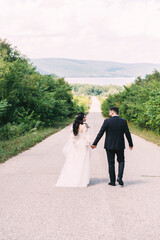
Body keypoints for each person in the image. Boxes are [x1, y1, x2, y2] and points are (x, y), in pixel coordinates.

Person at [91, 107, 133, 186]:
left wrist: (94, 143)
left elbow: (101, 133)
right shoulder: (123, 121)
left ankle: (112, 182)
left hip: (109, 146)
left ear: (112, 112)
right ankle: (119, 177)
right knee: (121, 161)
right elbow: (127, 133)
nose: (109, 113)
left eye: (109, 112)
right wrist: (130, 144)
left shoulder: (107, 121)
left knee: (111, 163)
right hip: (120, 145)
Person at [55, 112, 91, 187]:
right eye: (84, 117)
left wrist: (75, 142)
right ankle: (81, 180)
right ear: (81, 118)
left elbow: (73, 136)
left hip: (74, 145)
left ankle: (70, 178)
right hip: (82, 145)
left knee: (73, 161)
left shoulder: (73, 125)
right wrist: (89, 143)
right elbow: (84, 137)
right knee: (81, 162)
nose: (85, 118)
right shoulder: (84, 126)